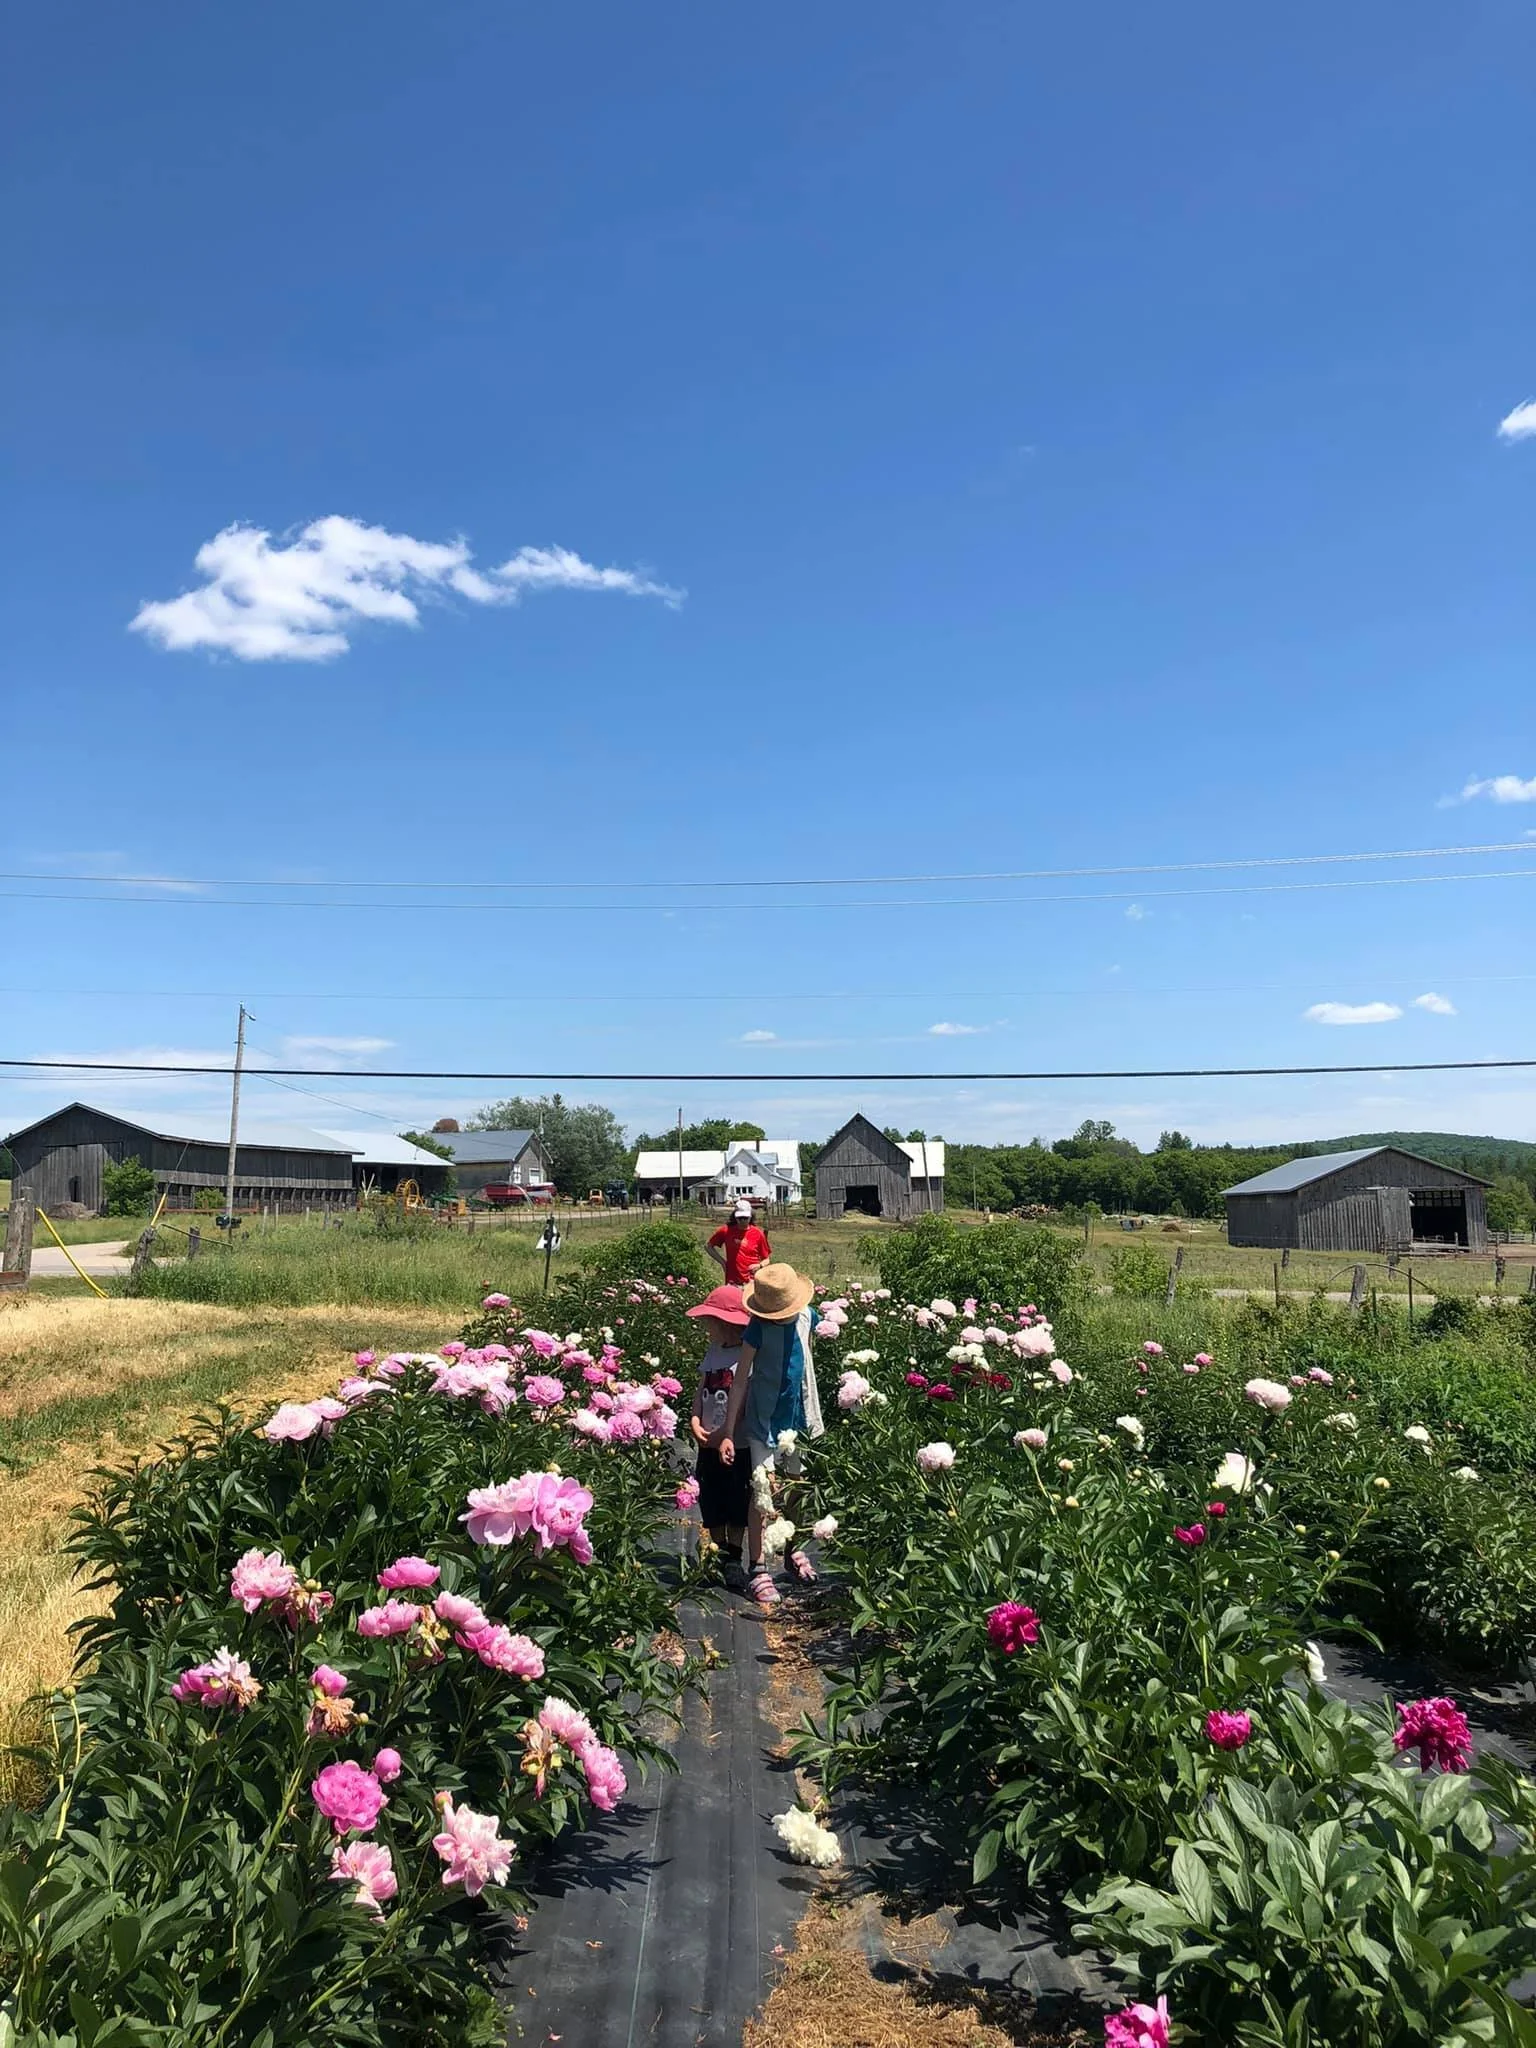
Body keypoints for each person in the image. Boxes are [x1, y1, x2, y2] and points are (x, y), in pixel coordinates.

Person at [718, 1261, 824, 1607]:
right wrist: (729, 1431)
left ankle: (793, 1550)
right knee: (762, 1492)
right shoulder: (757, 1329)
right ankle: (758, 1566)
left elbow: (806, 1363)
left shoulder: (808, 1317)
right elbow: (740, 1380)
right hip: (763, 1421)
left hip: (800, 1417)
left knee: (797, 1488)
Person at [683, 1284, 753, 1585]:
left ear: (726, 1324)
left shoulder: (746, 1354)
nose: (705, 1328)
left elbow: (744, 1399)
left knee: (737, 1498)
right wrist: (695, 1418)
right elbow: (702, 1388)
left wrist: (725, 1433)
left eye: (709, 1322)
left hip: (737, 1443)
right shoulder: (714, 1351)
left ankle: (734, 1557)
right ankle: (718, 1551)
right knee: (710, 1496)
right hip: (709, 1442)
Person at [707, 1201, 772, 1285]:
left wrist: (759, 1266)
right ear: (735, 1217)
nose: (742, 1221)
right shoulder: (726, 1230)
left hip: (752, 1281)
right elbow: (708, 1246)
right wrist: (723, 1262)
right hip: (732, 1281)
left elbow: (766, 1259)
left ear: (751, 1216)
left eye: (745, 1218)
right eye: (739, 1218)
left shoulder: (758, 1233)